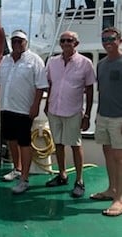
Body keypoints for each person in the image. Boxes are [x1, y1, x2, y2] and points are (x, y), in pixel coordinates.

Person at [0, 30, 48, 194]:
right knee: (11, 139)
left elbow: (41, 86)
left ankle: (24, 179)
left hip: (24, 110)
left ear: (26, 42)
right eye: (14, 40)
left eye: (20, 41)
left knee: (24, 143)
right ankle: (17, 169)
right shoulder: (5, 60)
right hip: (7, 107)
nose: (17, 43)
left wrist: (35, 106)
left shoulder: (35, 60)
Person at [44, 31, 95, 198]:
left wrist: (87, 115)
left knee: (75, 145)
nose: (66, 43)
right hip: (54, 109)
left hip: (73, 110)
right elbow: (50, 84)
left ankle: (79, 180)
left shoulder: (85, 63)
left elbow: (89, 89)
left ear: (76, 43)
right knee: (58, 143)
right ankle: (62, 175)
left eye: (70, 40)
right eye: (63, 40)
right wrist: (46, 104)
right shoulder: (52, 62)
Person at [91, 27, 122, 216]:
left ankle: (120, 199)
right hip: (103, 115)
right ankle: (112, 189)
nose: (107, 42)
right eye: (104, 39)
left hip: (119, 118)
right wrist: (96, 115)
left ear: (119, 40)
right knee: (108, 153)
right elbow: (102, 91)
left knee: (120, 158)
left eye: (111, 38)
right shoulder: (101, 64)